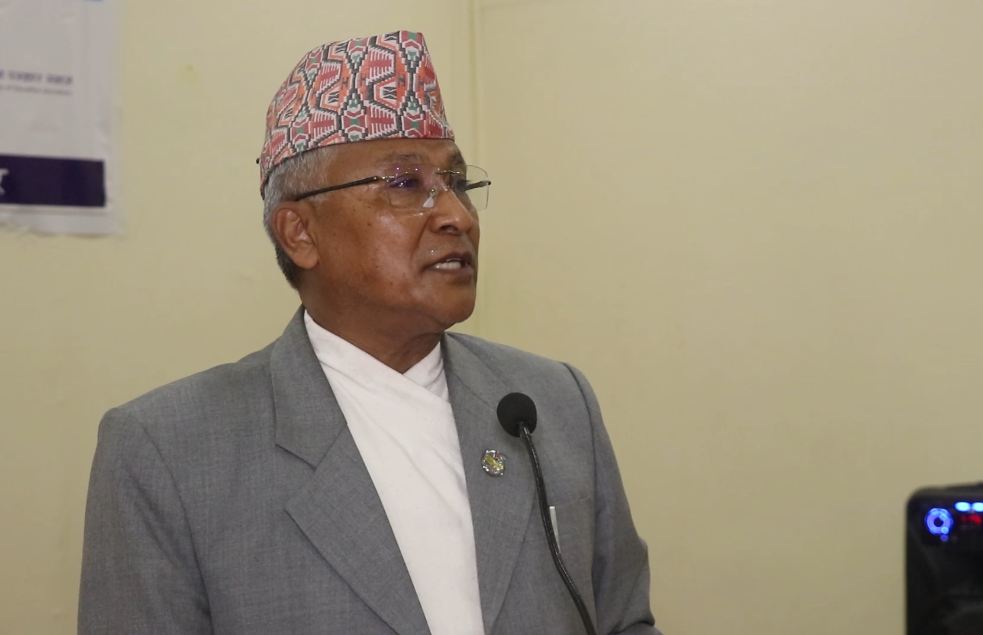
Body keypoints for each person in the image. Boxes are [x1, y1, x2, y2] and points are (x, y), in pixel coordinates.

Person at [79, 31, 658, 635]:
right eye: (405, 184)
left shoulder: (552, 402)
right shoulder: (168, 450)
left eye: (459, 184)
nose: (457, 216)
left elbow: (624, 621)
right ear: (300, 233)